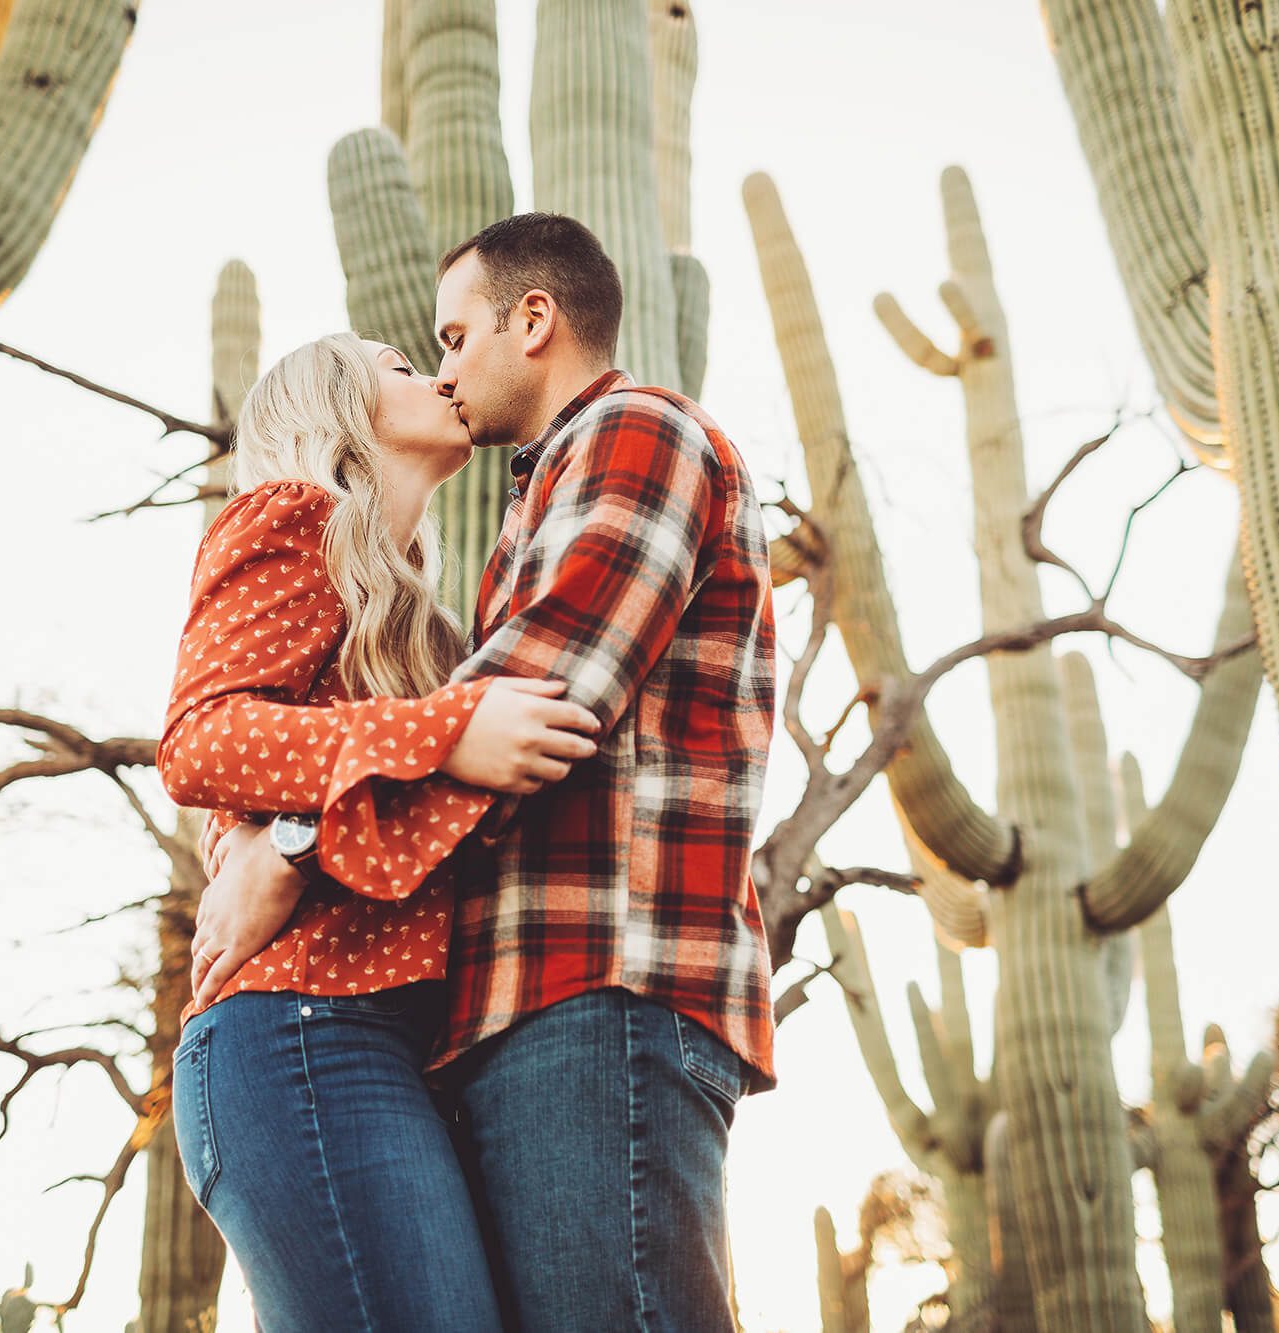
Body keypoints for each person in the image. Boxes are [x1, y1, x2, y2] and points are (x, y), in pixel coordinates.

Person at [199, 213, 779, 1332]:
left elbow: (546, 695)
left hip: (600, 981)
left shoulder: (635, 432)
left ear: (534, 319)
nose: (446, 370)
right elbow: (464, 725)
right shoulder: (527, 502)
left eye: (452, 338)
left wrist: (294, 843)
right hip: (526, 1008)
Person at [155, 332, 600, 1333]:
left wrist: (289, 843)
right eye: (400, 366)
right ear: (337, 409)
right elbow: (201, 740)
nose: (438, 375)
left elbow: (384, 806)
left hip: (387, 1048)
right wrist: (445, 729)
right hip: (299, 1035)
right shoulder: (289, 519)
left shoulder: (429, 629)